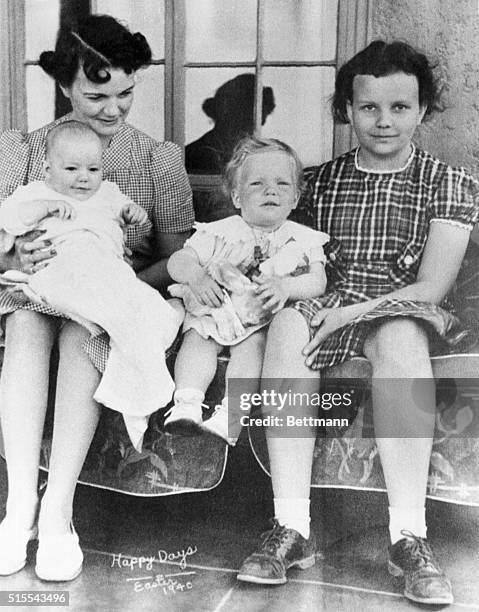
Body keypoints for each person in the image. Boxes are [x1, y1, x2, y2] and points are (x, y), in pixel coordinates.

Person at [237, 41, 479, 607]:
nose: (384, 120)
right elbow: (288, 255)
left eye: (400, 107)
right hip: (327, 298)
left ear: (422, 110)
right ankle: (290, 526)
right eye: (369, 107)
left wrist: (350, 311)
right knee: (289, 329)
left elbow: (431, 287)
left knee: (398, 336)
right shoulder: (319, 182)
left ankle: (408, 536)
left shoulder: (447, 182)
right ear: (347, 109)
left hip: (402, 305)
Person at [0, 14, 193, 582]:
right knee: (30, 327)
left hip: (111, 294)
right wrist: (12, 261)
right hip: (34, 288)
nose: (113, 108)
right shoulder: (23, 151)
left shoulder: (159, 159)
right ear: (64, 85)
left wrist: (121, 284)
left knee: (85, 332)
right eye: (96, 93)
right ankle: (18, 511)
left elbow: (174, 262)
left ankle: (58, 512)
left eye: (126, 92)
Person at [0, 120, 184, 451]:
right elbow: (8, 219)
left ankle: (134, 389)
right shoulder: (35, 191)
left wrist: (135, 213)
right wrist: (41, 209)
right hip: (57, 267)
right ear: (47, 169)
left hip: (105, 273)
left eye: (93, 169)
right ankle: (137, 395)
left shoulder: (108, 191)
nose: (84, 177)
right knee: (108, 315)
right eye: (71, 168)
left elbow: (133, 216)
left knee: (149, 310)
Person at [166, 137, 328, 444]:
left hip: (259, 318)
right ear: (237, 196)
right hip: (215, 309)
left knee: (253, 350)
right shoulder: (218, 232)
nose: (271, 191)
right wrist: (197, 277)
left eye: (283, 184)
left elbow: (318, 281)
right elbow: (179, 260)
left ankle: (230, 417)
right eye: (257, 184)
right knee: (197, 339)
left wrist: (287, 286)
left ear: (295, 197)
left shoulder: (303, 240)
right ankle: (186, 405)